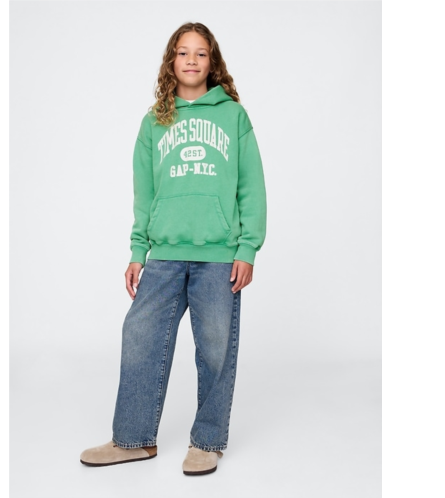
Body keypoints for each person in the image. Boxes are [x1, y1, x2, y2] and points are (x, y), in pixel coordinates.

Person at [80, 22, 267, 476]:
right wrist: (137, 251)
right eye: (183, 52)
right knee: (140, 337)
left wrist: (247, 248)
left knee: (216, 349)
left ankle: (207, 442)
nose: (191, 60)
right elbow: (144, 193)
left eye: (201, 53)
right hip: (163, 253)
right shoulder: (155, 121)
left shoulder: (233, 116)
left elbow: (252, 186)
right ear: (171, 61)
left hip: (219, 256)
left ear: (212, 62)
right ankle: (133, 439)